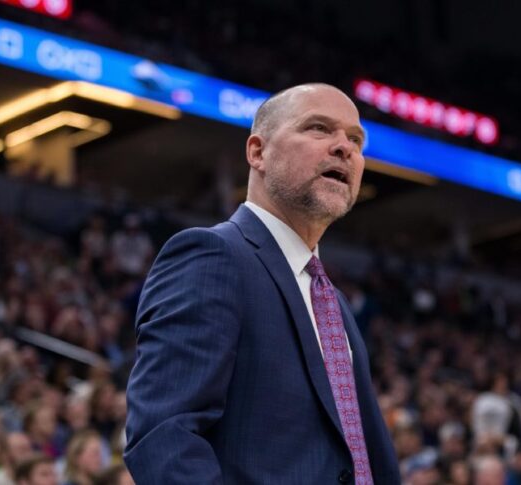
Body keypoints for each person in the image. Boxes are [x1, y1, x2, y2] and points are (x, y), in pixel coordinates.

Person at [124, 83, 400, 484]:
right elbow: (164, 436)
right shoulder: (212, 255)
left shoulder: (333, 300)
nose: (345, 147)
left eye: (356, 139)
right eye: (319, 129)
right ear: (258, 152)